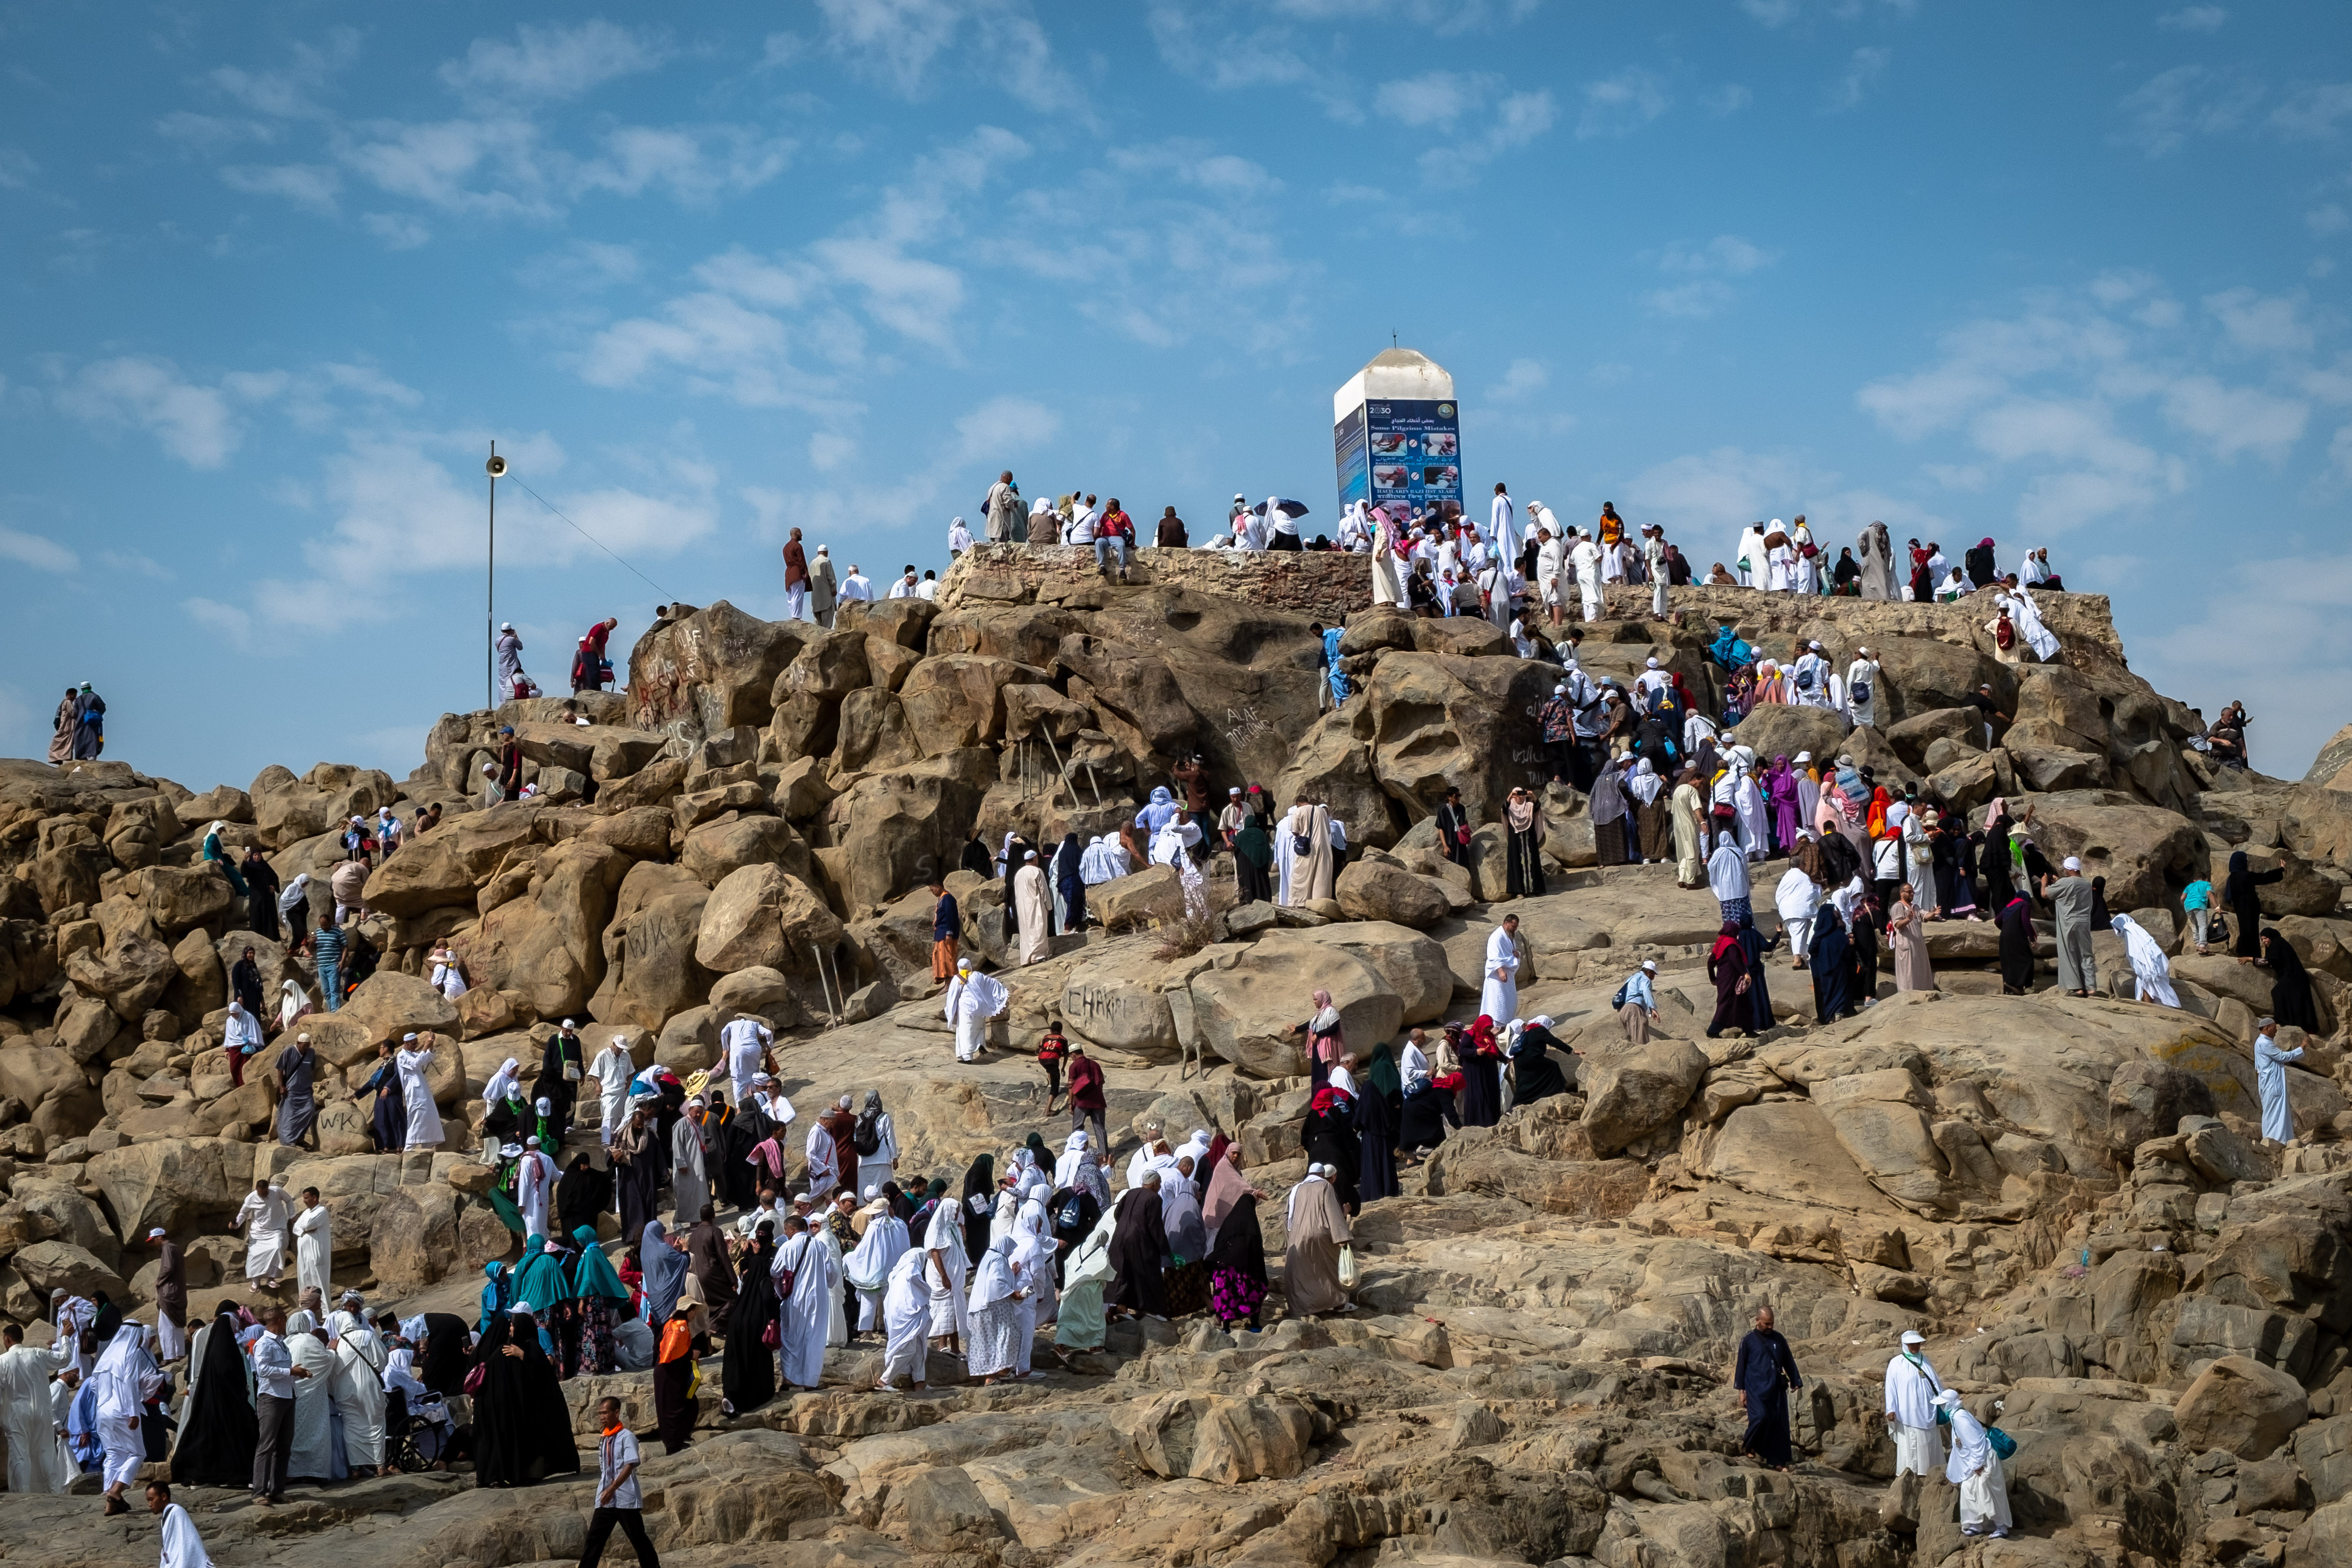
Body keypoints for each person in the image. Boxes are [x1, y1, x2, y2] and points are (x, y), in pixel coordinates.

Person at [472, 1305, 578, 1487]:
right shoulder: (508, 1350)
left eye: (513, 1325)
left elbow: (543, 1374)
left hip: (537, 1406)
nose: (511, 1329)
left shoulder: (531, 1347)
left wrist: (524, 1356)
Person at [1732, 1304, 1802, 1470]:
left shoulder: (1779, 1339)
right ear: (1758, 1321)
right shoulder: (1748, 1340)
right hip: (1755, 1389)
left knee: (1779, 1424)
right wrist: (1741, 1392)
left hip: (1776, 1388)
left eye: (1772, 1323)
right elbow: (1741, 1367)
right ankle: (1749, 1444)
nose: (1770, 1327)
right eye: (1767, 1324)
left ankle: (1778, 1461)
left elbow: (1788, 1360)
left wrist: (1795, 1380)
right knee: (1761, 1417)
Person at [1936, 1389, 2012, 1537]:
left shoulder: (1960, 1418)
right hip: (1978, 1461)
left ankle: (2001, 1526)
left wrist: (1978, 1464)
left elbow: (1977, 1442)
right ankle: (1976, 1523)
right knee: (1968, 1489)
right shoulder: (1956, 1417)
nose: (1941, 1408)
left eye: (1944, 1404)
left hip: (1984, 1460)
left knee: (1988, 1492)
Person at [249, 1305, 303, 1503]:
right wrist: (290, 1372)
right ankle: (259, 1492)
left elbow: (282, 1369)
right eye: (285, 1319)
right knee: (267, 1445)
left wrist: (297, 1373)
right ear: (280, 1320)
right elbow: (263, 1370)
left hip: (288, 1395)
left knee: (284, 1446)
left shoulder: (281, 1343)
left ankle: (277, 1490)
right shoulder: (264, 1343)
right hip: (271, 1398)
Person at [1283, 1165, 1352, 1316]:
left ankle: (1304, 1307)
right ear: (1322, 1174)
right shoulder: (1325, 1186)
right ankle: (1338, 1302)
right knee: (1329, 1269)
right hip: (1321, 1234)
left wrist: (1291, 1237)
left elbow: (1287, 1216)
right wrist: (1342, 1237)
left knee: (1303, 1272)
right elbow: (1332, 1211)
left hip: (1298, 1235)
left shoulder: (1297, 1188)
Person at [1882, 1329, 1946, 1478]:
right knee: (1912, 1447)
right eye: (1911, 1344)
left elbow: (1936, 1384)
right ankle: (1911, 1475)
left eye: (1917, 1344)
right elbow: (1891, 1388)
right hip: (1908, 1413)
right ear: (1905, 1345)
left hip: (1929, 1410)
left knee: (1930, 1444)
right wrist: (1891, 1409)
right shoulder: (1897, 1363)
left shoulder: (1925, 1360)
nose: (1915, 1347)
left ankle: (1931, 1474)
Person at [2043, 856, 2097, 997]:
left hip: (2069, 922)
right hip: (2084, 922)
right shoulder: (2086, 883)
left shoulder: (2066, 882)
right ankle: (2091, 987)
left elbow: (2045, 894)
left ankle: (2077, 987)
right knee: (2086, 954)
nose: (2065, 871)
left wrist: (2044, 883)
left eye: (2066, 869)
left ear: (2070, 868)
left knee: (2069, 952)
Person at [944, 961, 1008, 1064]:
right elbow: (990, 982)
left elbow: (952, 995)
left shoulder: (957, 978)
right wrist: (1000, 987)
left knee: (966, 1032)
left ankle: (967, 1057)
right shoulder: (977, 975)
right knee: (979, 1028)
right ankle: (980, 1045)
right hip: (979, 1007)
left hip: (966, 1008)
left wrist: (950, 1010)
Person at [2254, 1017, 2304, 1145]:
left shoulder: (2263, 1042)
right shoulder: (2264, 1043)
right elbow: (2282, 1056)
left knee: (2277, 1112)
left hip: (2271, 1083)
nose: (2276, 1032)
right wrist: (2301, 1049)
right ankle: (2276, 1140)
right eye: (2274, 1029)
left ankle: (2282, 1140)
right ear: (2267, 1028)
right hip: (2272, 1084)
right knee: (2274, 1112)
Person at [235, 1177, 292, 1290]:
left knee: (277, 1247)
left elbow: (289, 1200)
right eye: (261, 1193)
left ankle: (271, 1278)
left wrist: (292, 1215)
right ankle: (255, 1282)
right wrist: (236, 1224)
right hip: (259, 1232)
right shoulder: (251, 1198)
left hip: (277, 1229)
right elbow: (243, 1213)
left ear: (268, 1189)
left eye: (265, 1192)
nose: (263, 1195)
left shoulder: (276, 1191)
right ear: (257, 1190)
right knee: (255, 1255)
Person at [2112, 914, 2180, 1007]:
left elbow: (2139, 950)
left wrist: (2147, 967)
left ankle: (2150, 1008)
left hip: (2147, 966)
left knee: (2148, 986)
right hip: (2149, 965)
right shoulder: (2133, 929)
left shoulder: (2130, 929)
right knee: (2146, 986)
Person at [396, 1033, 446, 1149]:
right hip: (414, 1093)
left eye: (416, 1043)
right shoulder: (402, 1056)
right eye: (413, 1044)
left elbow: (426, 1058)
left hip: (423, 1092)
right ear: (406, 1043)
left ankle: (426, 1148)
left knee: (428, 1117)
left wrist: (430, 1045)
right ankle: (409, 1149)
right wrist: (424, 1047)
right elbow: (415, 1064)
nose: (415, 1046)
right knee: (417, 1118)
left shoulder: (412, 1054)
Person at [272, 1031, 320, 1149]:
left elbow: (311, 1069)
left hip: (305, 1090)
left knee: (309, 1111)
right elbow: (280, 1069)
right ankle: (287, 1140)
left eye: (309, 1045)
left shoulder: (311, 1053)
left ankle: (299, 1138)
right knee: (290, 1116)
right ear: (298, 1043)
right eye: (305, 1046)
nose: (307, 1048)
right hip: (291, 1090)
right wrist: (281, 1086)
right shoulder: (289, 1051)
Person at [1887, 882, 1933, 992]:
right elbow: (1897, 924)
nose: (1912, 894)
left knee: (1921, 970)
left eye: (1913, 892)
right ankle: (1907, 995)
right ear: (1902, 893)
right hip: (1906, 944)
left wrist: (1934, 914)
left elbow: (1925, 916)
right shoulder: (1898, 907)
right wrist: (1908, 919)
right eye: (1909, 892)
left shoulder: (1915, 907)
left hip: (1918, 945)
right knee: (1908, 972)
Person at [1503, 787, 1546, 896]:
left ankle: (1533, 889)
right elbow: (1504, 808)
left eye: (1521, 794)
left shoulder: (1529, 806)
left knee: (1532, 861)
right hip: (1515, 840)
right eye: (1517, 795)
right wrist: (1510, 796)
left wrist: (1534, 797)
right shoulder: (1510, 807)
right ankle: (1519, 891)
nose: (1519, 797)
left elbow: (1537, 807)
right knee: (1517, 862)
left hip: (1529, 838)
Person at [1481, 914, 1522, 1028]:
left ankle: (1506, 1022)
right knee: (1497, 998)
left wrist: (1517, 954)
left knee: (1510, 999)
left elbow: (1511, 952)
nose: (1514, 929)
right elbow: (1493, 956)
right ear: (1506, 923)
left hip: (1507, 974)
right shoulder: (1497, 937)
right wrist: (1500, 970)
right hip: (1497, 975)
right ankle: (1495, 1023)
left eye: (1516, 927)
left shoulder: (1509, 937)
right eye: (1513, 926)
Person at [290, 1186, 332, 1298]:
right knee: (305, 1283)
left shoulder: (322, 1211)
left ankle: (325, 1314)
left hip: (316, 1254)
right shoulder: (306, 1213)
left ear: (314, 1198)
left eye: (306, 1198)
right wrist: (305, 1229)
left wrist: (304, 1228)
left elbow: (310, 1225)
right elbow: (296, 1228)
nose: (304, 1201)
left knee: (319, 1284)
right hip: (304, 1256)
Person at [1014, 850, 1051, 965]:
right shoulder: (1037, 871)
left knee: (1027, 932)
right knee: (1037, 929)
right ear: (1035, 858)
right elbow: (1044, 890)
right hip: (1036, 905)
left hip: (1023, 908)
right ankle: (1037, 956)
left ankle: (1027, 958)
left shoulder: (1018, 874)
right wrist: (1048, 906)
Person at [1618, 959, 1661, 1042]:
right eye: (1654, 974)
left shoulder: (1633, 978)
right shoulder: (1645, 979)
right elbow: (1646, 991)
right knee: (1641, 1042)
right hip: (1634, 1010)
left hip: (1625, 1011)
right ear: (1649, 972)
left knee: (1633, 1041)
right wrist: (1653, 1009)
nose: (1654, 977)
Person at [2182, 875, 2215, 955]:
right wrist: (2217, 907)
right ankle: (2202, 946)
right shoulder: (2206, 884)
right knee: (2203, 925)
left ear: (2194, 880)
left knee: (2195, 925)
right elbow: (2210, 894)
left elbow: (2182, 898)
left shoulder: (2189, 886)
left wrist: (2185, 905)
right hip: (2199, 905)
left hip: (2188, 906)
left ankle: (2197, 943)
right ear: (2206, 879)